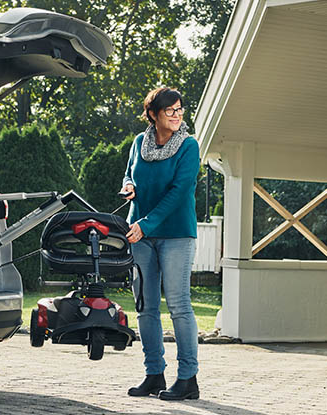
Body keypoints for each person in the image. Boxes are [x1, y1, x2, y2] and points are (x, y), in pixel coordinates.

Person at [121, 87, 200, 400]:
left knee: (179, 306)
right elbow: (131, 173)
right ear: (153, 115)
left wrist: (146, 224)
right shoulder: (140, 143)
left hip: (176, 234)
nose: (177, 115)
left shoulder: (188, 146)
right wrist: (128, 186)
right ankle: (154, 374)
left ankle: (188, 379)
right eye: (170, 111)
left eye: (180, 109)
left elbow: (180, 191)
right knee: (145, 307)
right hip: (139, 233)